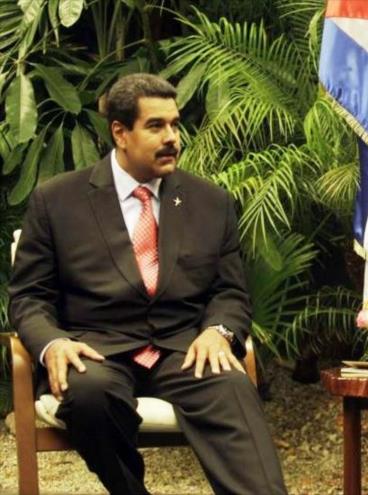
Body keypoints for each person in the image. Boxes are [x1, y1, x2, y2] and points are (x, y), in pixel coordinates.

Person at [9, 73, 288, 495]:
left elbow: (230, 291)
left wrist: (219, 331)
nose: (172, 137)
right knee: (88, 395)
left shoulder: (209, 202)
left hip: (184, 349)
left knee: (232, 387)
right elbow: (30, 296)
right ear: (120, 132)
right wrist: (53, 343)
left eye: (175, 124)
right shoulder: (57, 200)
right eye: (156, 126)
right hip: (95, 351)